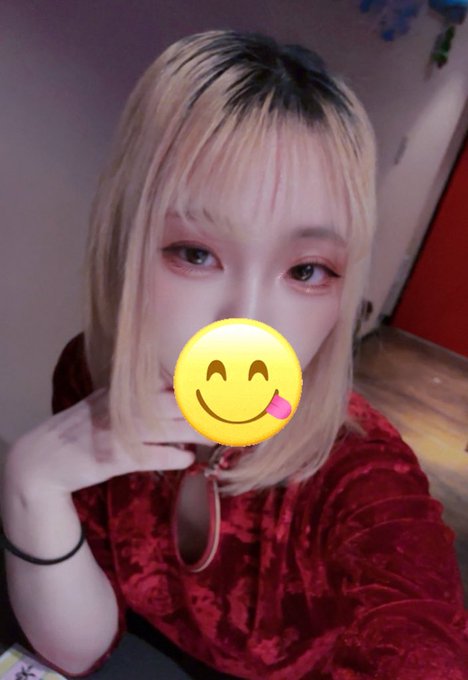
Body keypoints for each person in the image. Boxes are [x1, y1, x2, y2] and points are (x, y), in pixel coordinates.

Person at [1, 28, 467, 679]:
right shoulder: (89, 374)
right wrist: (31, 486)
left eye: (306, 270)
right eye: (196, 253)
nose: (248, 320)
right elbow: (78, 651)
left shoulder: (363, 478)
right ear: (125, 244)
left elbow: (422, 642)